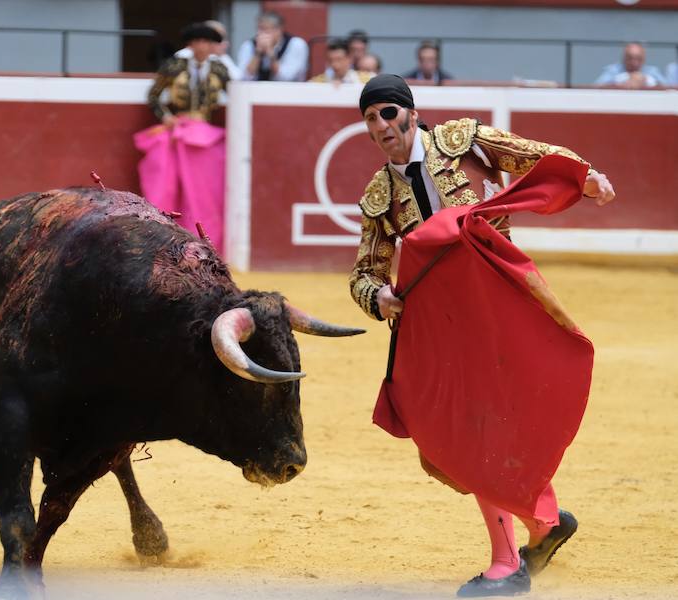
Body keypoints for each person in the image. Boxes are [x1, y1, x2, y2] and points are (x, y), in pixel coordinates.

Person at [350, 74, 615, 597]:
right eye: (370, 119)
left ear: (409, 112)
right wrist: (377, 298)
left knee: (492, 420)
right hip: (444, 320)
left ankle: (518, 548)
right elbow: (364, 273)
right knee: (477, 423)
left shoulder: (460, 139)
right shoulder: (379, 195)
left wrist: (584, 175)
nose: (380, 126)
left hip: (500, 296)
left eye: (387, 113)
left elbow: (532, 156)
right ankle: (532, 534)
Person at [135, 23, 230, 254]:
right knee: (166, 183)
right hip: (178, 129)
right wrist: (165, 117)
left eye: (207, 42)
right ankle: (164, 236)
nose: (202, 47)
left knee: (205, 190)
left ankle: (204, 237)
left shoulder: (220, 69)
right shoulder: (175, 66)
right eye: (198, 42)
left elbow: (236, 95)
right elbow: (154, 96)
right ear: (191, 44)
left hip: (204, 133)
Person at [237, 11, 308, 82]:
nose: (260, 34)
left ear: (279, 30)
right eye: (259, 29)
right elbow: (243, 78)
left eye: (265, 29)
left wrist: (271, 53)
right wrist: (257, 53)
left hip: (289, 91)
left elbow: (286, 78)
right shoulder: (249, 45)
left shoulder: (296, 44)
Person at [174, 19, 241, 81]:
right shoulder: (182, 55)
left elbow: (236, 79)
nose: (224, 44)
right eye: (199, 41)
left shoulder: (220, 58)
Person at [595, 42, 665, 88]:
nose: (634, 63)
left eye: (638, 59)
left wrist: (646, 82)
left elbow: (668, 89)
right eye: (630, 58)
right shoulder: (613, 70)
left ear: (644, 59)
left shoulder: (652, 71)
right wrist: (620, 85)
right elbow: (596, 87)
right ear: (623, 58)